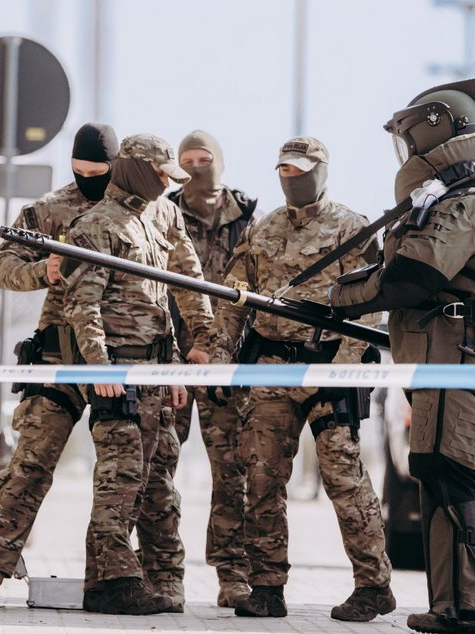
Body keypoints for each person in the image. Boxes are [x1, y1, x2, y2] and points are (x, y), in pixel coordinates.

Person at [329, 78, 475, 634]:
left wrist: (338, 296)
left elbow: (410, 277)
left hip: (457, 369)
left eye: (411, 137)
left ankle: (459, 609)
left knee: (447, 480)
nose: (410, 151)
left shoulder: (464, 201)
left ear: (436, 130)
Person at [207, 136, 396, 622]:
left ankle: (373, 585)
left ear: (321, 170)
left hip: (329, 366)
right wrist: (219, 356)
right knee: (261, 476)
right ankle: (267, 586)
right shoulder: (264, 228)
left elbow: (370, 308)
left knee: (343, 476)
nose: (292, 179)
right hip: (270, 369)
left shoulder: (351, 229)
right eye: (284, 171)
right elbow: (234, 300)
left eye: (301, 170)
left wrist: (344, 369)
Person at [0, 122, 118, 607]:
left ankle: (121, 577)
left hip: (123, 359)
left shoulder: (139, 212)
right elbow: (2, 268)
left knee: (129, 474)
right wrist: (41, 271)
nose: (88, 178)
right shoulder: (49, 210)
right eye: (79, 170)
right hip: (60, 357)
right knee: (29, 464)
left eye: (98, 171)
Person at [63, 133, 214, 615]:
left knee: (158, 481)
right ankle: (109, 582)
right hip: (119, 372)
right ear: (138, 169)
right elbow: (81, 303)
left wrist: (200, 345)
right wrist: (101, 367)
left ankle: (161, 579)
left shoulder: (165, 214)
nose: (170, 181)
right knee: (120, 476)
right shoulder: (96, 225)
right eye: (163, 172)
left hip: (159, 367)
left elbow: (189, 281)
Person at [138, 130, 257, 609]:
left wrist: (222, 348)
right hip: (171, 360)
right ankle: (162, 574)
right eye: (187, 160)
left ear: (220, 163)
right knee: (158, 464)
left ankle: (234, 573)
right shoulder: (162, 214)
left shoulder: (249, 221)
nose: (196, 167)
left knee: (233, 471)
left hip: (227, 364)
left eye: (204, 159)